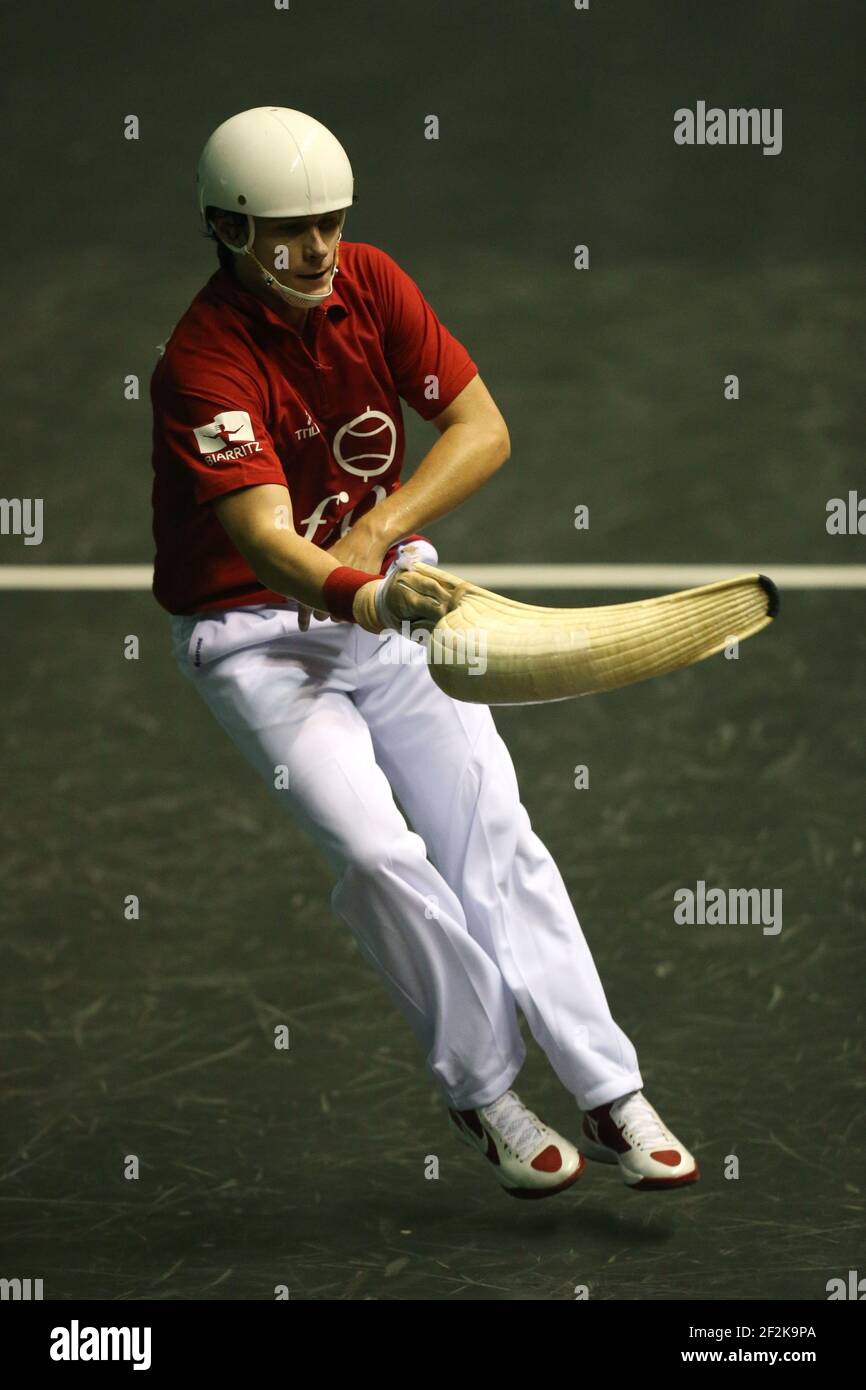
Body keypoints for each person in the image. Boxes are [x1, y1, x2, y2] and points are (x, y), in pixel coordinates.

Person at [150, 106, 699, 1198]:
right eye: (289, 230)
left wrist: (381, 534)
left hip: (388, 591)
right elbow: (265, 543)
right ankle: (484, 1090)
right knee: (376, 854)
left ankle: (608, 1091)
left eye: (331, 222)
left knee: (490, 828)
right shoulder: (200, 364)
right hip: (255, 637)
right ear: (228, 228)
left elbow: (483, 429)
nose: (318, 248)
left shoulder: (372, 283)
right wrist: (360, 587)